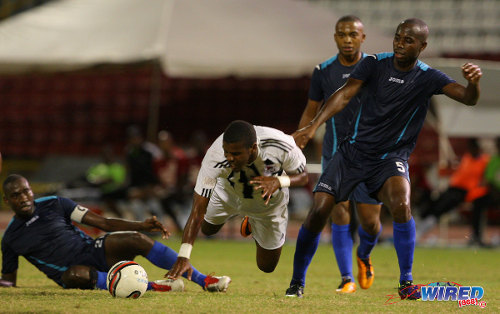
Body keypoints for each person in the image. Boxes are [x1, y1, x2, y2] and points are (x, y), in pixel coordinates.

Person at [291, 18, 482, 300]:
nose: (400, 44)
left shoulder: (428, 77)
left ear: (422, 46)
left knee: (398, 206)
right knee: (319, 210)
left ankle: (405, 282)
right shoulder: (373, 63)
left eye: (408, 41)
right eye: (397, 38)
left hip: (390, 159)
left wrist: (473, 84)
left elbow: (467, 98)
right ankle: (297, 282)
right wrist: (313, 127)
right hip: (352, 153)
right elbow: (344, 95)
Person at [0, 174, 230, 292]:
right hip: (74, 273)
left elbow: (104, 222)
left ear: (31, 190)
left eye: (26, 191)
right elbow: (9, 281)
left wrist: (141, 225)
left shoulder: (55, 203)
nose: (23, 198)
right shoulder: (10, 239)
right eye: (16, 195)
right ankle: (155, 286)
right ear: (7, 200)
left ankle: (204, 280)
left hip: (93, 251)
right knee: (73, 276)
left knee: (136, 239)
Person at [287, 15, 382, 297]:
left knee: (370, 223)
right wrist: (300, 137)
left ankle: (364, 255)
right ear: (335, 38)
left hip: (369, 154)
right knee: (337, 210)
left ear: (363, 38)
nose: (348, 39)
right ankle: (346, 278)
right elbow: (311, 108)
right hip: (335, 151)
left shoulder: (376, 69)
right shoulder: (324, 71)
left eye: (353, 34)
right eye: (342, 34)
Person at [166, 120, 308, 280]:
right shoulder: (214, 157)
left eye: (236, 154)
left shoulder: (280, 145)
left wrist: (279, 181)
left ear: (253, 148)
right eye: (227, 152)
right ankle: (248, 219)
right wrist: (183, 256)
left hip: (267, 203)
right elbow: (197, 211)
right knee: (207, 230)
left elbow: (304, 176)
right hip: (227, 195)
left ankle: (252, 222)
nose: (229, 158)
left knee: (267, 266)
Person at [416, 138, 490, 245]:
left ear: (477, 148)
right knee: (436, 201)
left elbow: (483, 179)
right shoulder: (467, 157)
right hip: (454, 188)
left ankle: (422, 226)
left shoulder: (484, 160)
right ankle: (423, 221)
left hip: (468, 191)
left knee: (443, 205)